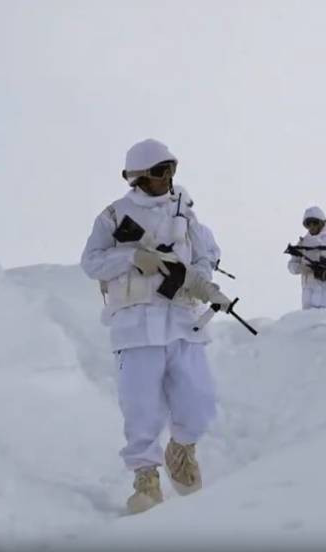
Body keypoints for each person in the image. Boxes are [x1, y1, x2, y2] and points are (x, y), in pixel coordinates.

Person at [80, 139, 231, 514]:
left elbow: (204, 253)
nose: (168, 178)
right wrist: (134, 256)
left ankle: (181, 450)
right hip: (135, 323)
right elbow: (92, 262)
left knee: (200, 400)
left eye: (172, 170)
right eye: (161, 171)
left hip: (182, 318)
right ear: (139, 176)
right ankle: (146, 479)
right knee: (141, 406)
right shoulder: (114, 216)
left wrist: (201, 280)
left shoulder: (185, 212)